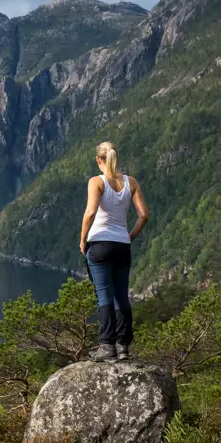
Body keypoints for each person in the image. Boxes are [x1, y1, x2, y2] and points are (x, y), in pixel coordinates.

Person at [79, 142, 150, 362]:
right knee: (122, 297)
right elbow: (144, 215)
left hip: (100, 245)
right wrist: (129, 236)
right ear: (115, 158)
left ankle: (106, 346)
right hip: (122, 247)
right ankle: (123, 347)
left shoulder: (96, 182)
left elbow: (90, 213)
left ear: (98, 160)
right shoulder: (131, 182)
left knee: (104, 296)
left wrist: (83, 240)